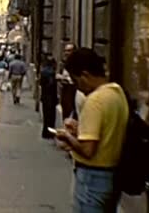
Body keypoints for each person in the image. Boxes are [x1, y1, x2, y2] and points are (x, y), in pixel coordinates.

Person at [55, 48, 129, 213]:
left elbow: (88, 150)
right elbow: (106, 132)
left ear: (85, 76)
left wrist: (67, 137)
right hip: (111, 174)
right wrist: (80, 129)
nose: (78, 88)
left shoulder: (94, 101)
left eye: (76, 81)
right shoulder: (117, 93)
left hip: (92, 177)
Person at [40, 56, 58, 139]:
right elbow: (51, 85)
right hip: (50, 97)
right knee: (51, 116)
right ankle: (49, 132)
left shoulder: (43, 71)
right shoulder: (51, 73)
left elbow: (41, 83)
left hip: (45, 96)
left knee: (46, 116)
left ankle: (45, 132)